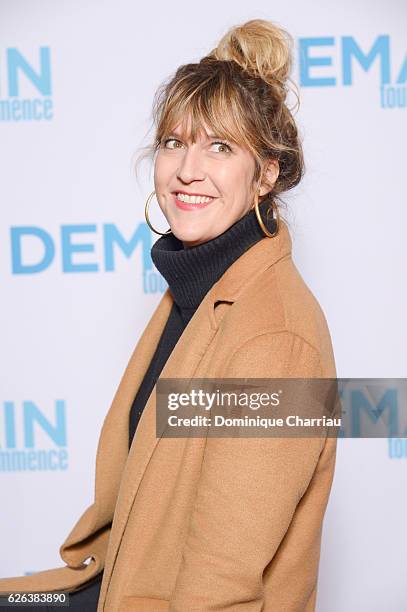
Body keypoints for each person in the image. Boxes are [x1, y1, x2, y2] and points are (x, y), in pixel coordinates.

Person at [0, 18, 337, 611]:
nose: (187, 169)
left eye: (221, 147)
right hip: (116, 584)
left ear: (267, 174)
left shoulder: (277, 340)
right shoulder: (196, 290)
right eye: (174, 141)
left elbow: (221, 589)